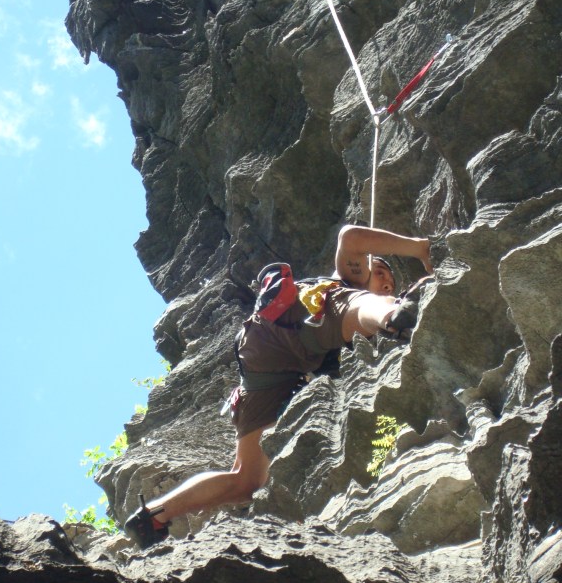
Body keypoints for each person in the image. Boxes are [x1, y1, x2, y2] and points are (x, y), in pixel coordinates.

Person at [125, 224, 433, 548]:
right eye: (380, 272)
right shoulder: (344, 284)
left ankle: (153, 518)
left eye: (392, 284)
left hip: (262, 366)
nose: (386, 282)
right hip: (297, 326)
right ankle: (396, 316)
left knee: (246, 480)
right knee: (357, 300)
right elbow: (350, 238)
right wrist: (420, 249)